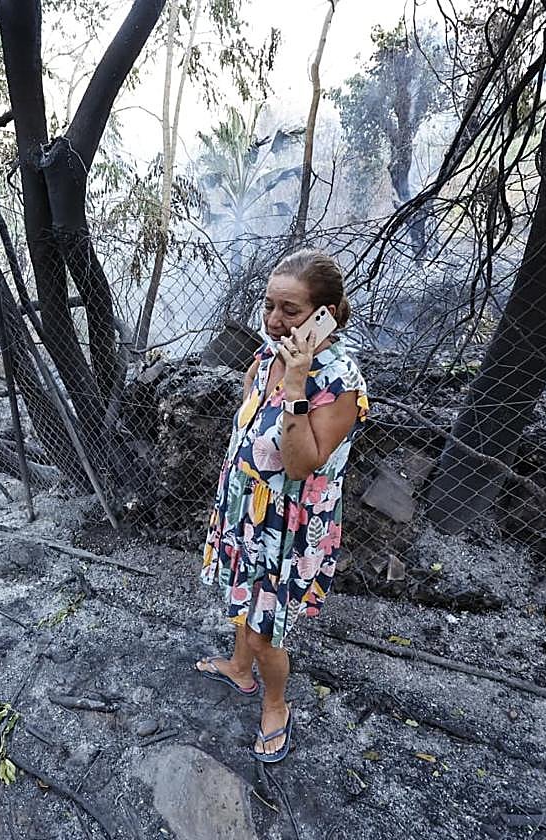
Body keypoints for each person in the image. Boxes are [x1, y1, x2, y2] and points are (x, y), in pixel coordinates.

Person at [195, 249, 369, 763]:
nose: (273, 321)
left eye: (289, 310)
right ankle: (240, 669)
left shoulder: (340, 383)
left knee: (264, 628)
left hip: (286, 526)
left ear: (327, 313)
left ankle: (275, 705)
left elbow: (299, 464)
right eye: (268, 306)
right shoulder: (267, 357)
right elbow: (248, 427)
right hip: (245, 508)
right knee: (243, 603)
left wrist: (296, 384)